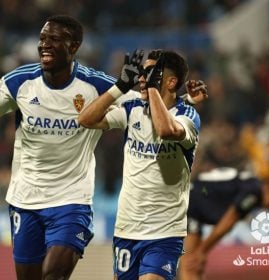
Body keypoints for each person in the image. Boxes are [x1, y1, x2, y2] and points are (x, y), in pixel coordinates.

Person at [0, 15, 206, 279]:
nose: (44, 45)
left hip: (71, 199)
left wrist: (184, 102)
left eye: (54, 39)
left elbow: (151, 109)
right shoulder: (20, 82)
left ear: (74, 45)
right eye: (42, 39)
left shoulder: (97, 84)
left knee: (53, 273)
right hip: (26, 198)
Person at [78, 49, 201, 280]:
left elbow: (166, 130)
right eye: (143, 73)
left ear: (171, 82)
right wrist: (120, 86)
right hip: (127, 228)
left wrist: (153, 89)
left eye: (152, 73)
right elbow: (85, 120)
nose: (143, 79)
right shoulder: (132, 108)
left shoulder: (188, 116)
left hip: (165, 231)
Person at [177, 167, 269, 280]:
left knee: (196, 264)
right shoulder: (254, 191)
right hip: (191, 203)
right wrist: (202, 250)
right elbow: (229, 220)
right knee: (191, 263)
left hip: (193, 200)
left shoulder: (251, 184)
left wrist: (202, 251)